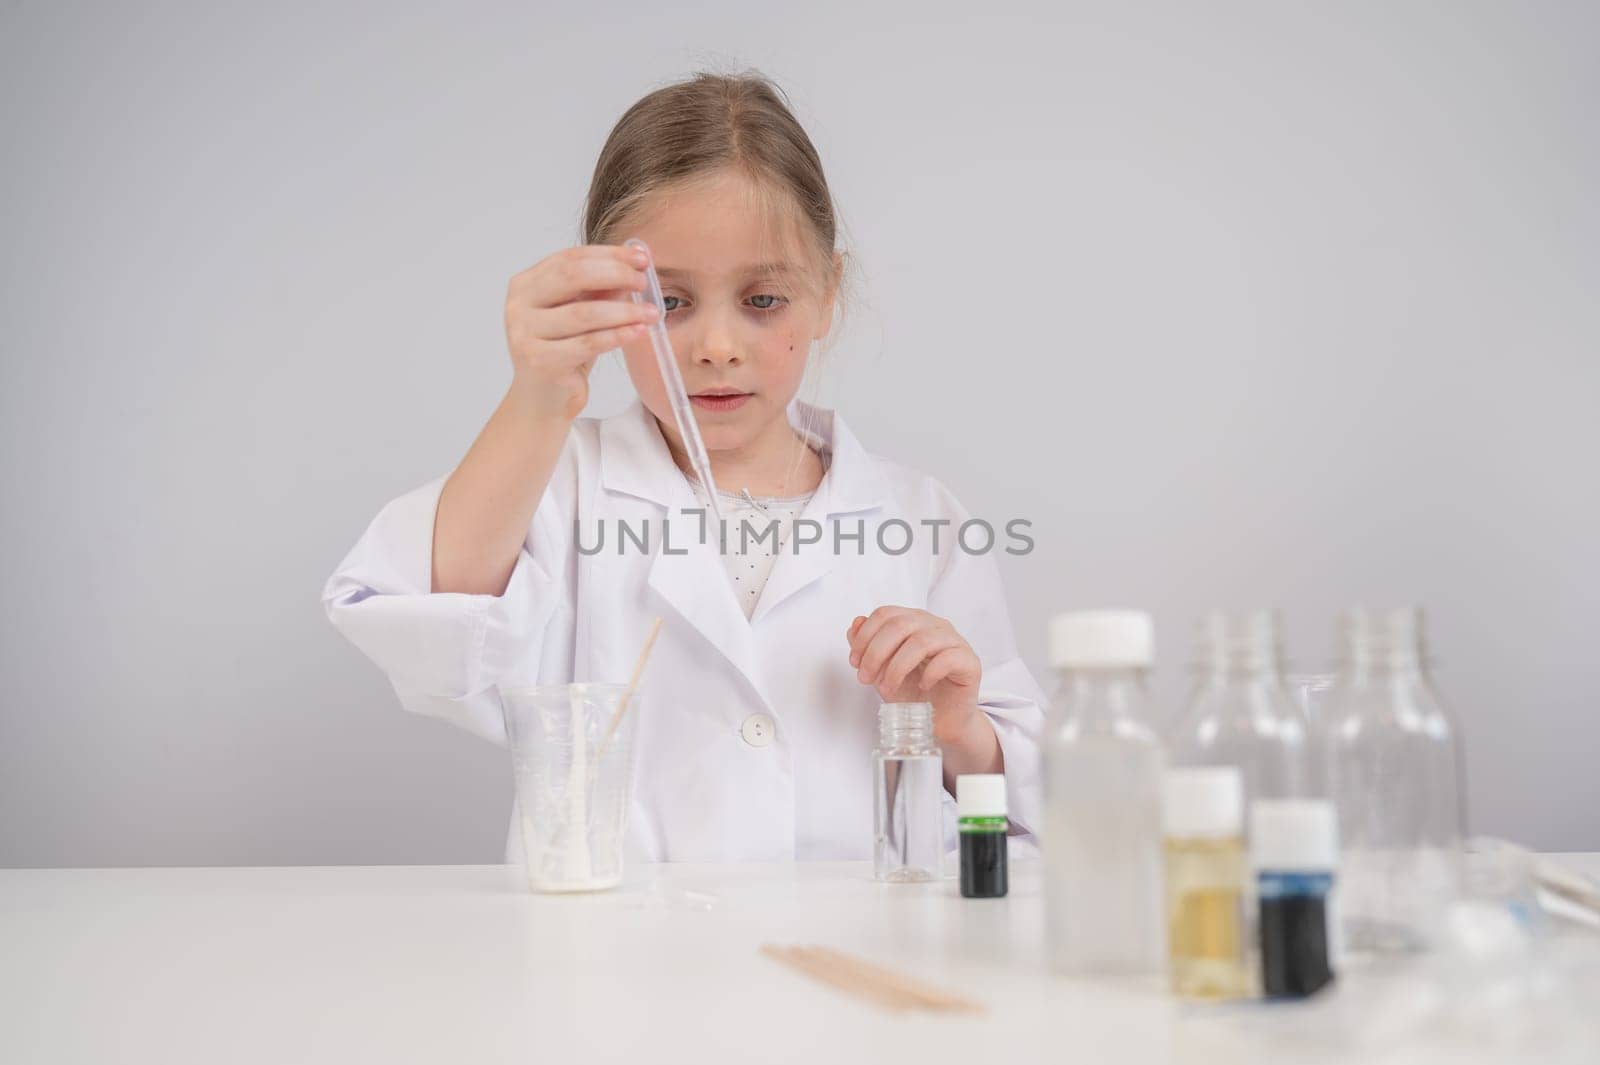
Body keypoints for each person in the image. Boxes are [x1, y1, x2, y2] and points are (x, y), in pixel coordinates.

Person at [322, 71, 1046, 864]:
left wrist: (958, 730)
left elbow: (1028, 802)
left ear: (828, 292)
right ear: (604, 294)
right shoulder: (560, 487)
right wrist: (537, 396)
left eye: (763, 300)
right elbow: (430, 622)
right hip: (618, 964)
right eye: (669, 303)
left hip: (863, 960)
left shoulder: (920, 518)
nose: (716, 346)